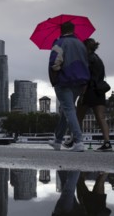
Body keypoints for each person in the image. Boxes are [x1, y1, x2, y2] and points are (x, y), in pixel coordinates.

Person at [48, 21, 90, 152]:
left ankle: (78, 141)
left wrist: (56, 75)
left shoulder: (60, 43)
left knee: (69, 110)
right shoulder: (81, 44)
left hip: (65, 81)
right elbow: (86, 63)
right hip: (80, 82)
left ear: (61, 30)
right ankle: (57, 140)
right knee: (66, 110)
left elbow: (55, 63)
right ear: (73, 29)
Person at [75, 38, 112, 151]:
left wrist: (82, 94)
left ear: (85, 47)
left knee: (78, 117)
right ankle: (107, 143)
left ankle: (76, 140)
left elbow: (86, 78)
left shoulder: (87, 58)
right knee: (101, 117)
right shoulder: (98, 59)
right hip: (100, 91)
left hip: (89, 90)